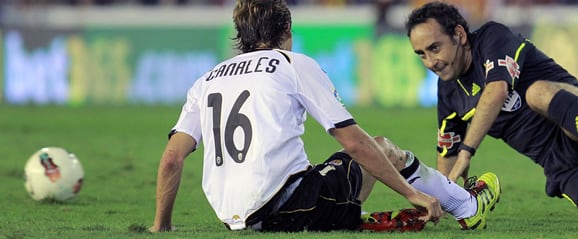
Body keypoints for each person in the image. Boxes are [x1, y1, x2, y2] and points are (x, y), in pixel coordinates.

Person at [150, 0, 500, 233]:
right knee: (382, 148)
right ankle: (468, 206)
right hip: (287, 207)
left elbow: (170, 159)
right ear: (286, 31)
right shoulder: (291, 64)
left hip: (235, 221)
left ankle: (350, 218)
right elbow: (354, 142)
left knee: (324, 174)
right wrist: (411, 193)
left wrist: (161, 227)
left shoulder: (208, 78)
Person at [405, 1, 578, 222]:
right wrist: (438, 201)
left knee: (536, 92)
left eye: (434, 48)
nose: (431, 62)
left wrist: (468, 151)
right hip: (566, 166)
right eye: (421, 54)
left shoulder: (491, 38)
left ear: (460, 35)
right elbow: (447, 158)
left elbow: (496, 90)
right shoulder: (448, 94)